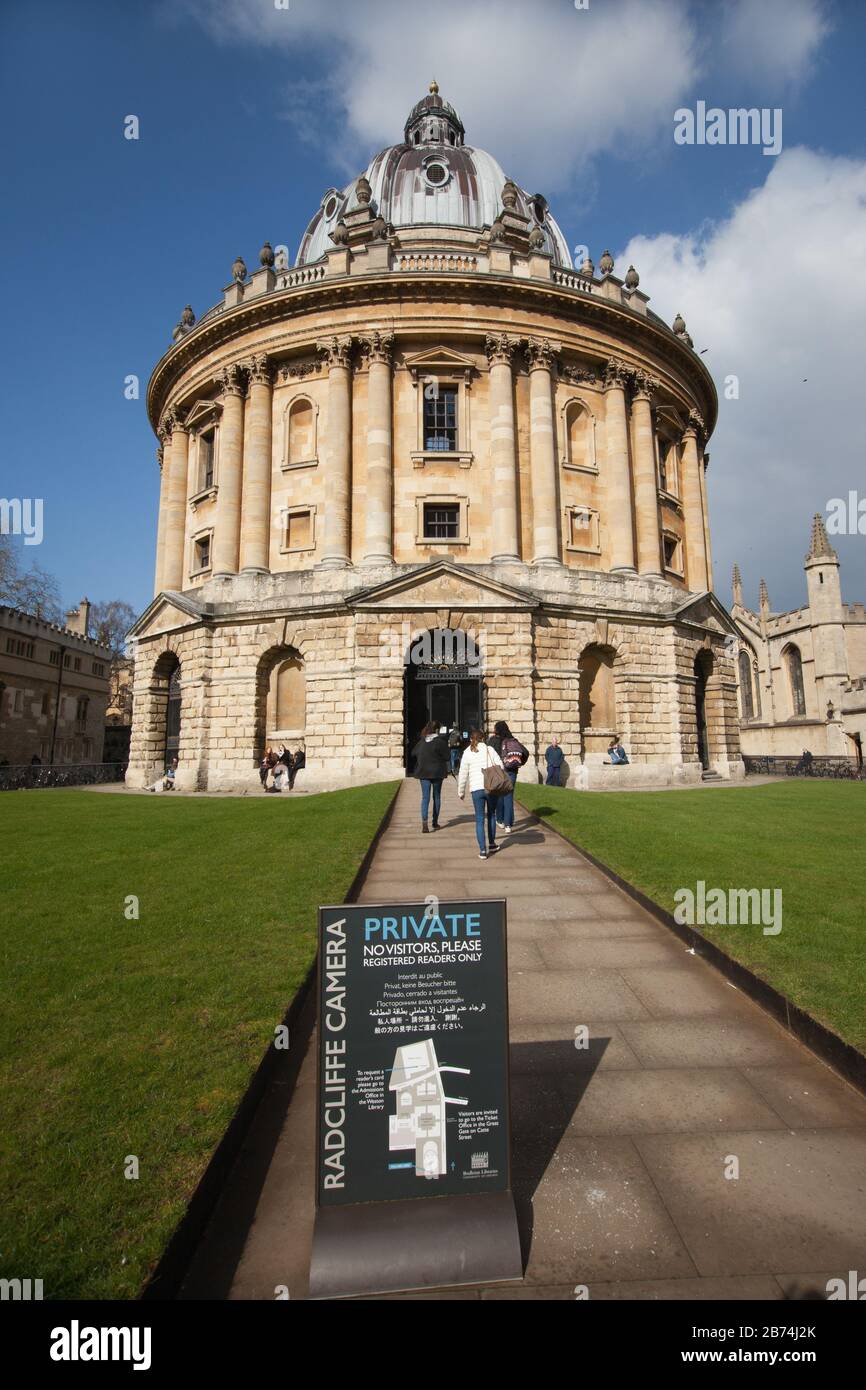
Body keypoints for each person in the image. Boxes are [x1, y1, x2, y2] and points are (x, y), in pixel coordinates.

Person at [457, 728, 505, 859]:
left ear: (472, 739)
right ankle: (492, 844)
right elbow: (501, 766)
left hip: (476, 789)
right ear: (483, 738)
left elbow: (462, 774)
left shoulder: (467, 752)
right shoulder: (490, 750)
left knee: (479, 819)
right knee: (491, 815)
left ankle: (483, 850)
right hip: (490, 786)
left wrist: (461, 791)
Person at [488, 720, 528, 834]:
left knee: (499, 795)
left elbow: (488, 754)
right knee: (509, 796)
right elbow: (525, 752)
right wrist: (519, 763)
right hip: (512, 771)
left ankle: (500, 820)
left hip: (499, 771)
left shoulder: (493, 740)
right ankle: (508, 825)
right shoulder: (512, 740)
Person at [411, 720, 450, 832]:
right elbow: (447, 756)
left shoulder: (422, 741)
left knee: (425, 797)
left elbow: (414, 753)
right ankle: (434, 822)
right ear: (437, 729)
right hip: (437, 772)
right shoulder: (440, 741)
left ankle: (424, 822)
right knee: (436, 797)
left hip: (423, 772)